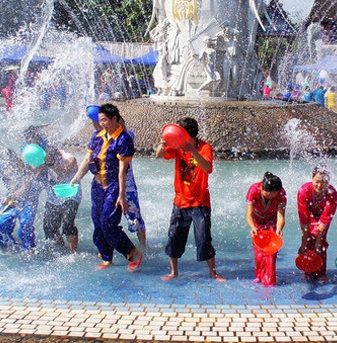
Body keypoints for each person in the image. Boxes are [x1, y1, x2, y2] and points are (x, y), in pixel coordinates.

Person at [71, 103, 144, 271]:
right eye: (100, 120)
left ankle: (134, 254)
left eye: (104, 120)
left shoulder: (123, 139)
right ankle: (106, 256)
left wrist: (121, 195)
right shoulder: (97, 136)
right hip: (97, 186)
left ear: (114, 119)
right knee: (97, 222)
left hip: (113, 186)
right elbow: (87, 159)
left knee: (108, 221)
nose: (101, 123)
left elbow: (122, 171)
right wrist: (76, 178)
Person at [156, 116, 223, 280]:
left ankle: (213, 273)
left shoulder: (205, 147)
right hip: (180, 200)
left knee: (204, 239)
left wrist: (192, 150)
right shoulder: (177, 147)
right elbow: (159, 156)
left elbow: (207, 168)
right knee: (174, 237)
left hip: (200, 202)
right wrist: (162, 145)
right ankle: (174, 272)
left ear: (186, 134)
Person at [296, 165, 337, 282]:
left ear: (328, 182)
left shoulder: (332, 194)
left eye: (324, 182)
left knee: (321, 243)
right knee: (309, 240)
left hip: (322, 218)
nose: (320, 186)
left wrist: (319, 242)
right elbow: (304, 220)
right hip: (309, 216)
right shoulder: (303, 191)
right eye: (317, 181)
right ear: (312, 178)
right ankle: (308, 270)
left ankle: (320, 271)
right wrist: (303, 243)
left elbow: (324, 221)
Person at [245, 172, 287, 286]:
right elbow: (249, 214)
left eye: (272, 194)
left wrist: (279, 228)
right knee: (259, 252)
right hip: (257, 224)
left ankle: (270, 280)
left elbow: (281, 215)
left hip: (272, 223)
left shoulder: (281, 194)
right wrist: (253, 227)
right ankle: (259, 276)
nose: (268, 195)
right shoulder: (253, 190)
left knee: (271, 252)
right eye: (266, 192)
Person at [43, 145, 81, 253]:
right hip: (54, 196)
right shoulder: (45, 160)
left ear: (59, 155)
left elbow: (64, 171)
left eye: (55, 159)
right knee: (48, 226)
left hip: (71, 193)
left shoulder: (70, 158)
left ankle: (73, 252)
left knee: (68, 222)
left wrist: (49, 164)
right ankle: (61, 249)